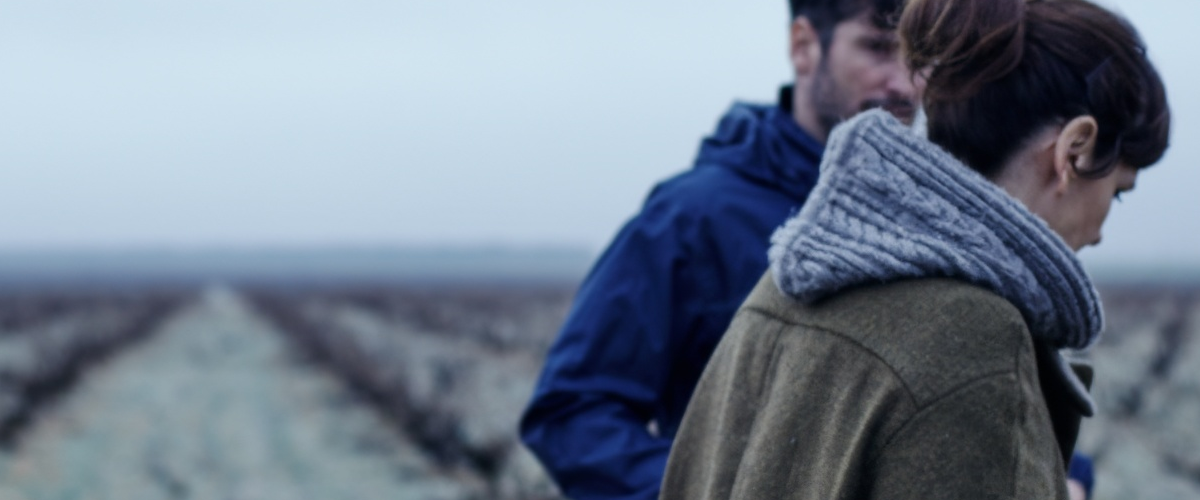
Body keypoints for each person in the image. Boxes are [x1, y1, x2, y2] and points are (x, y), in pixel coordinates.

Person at [659, 0, 1169, 498]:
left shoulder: (784, 285)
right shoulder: (975, 337)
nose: (1101, 230)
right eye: (1118, 192)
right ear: (1073, 151)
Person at [518, 1, 921, 499]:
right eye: (878, 48)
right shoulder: (690, 217)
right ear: (803, 46)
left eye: (920, 55)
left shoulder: (931, 223)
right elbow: (571, 412)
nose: (904, 84)